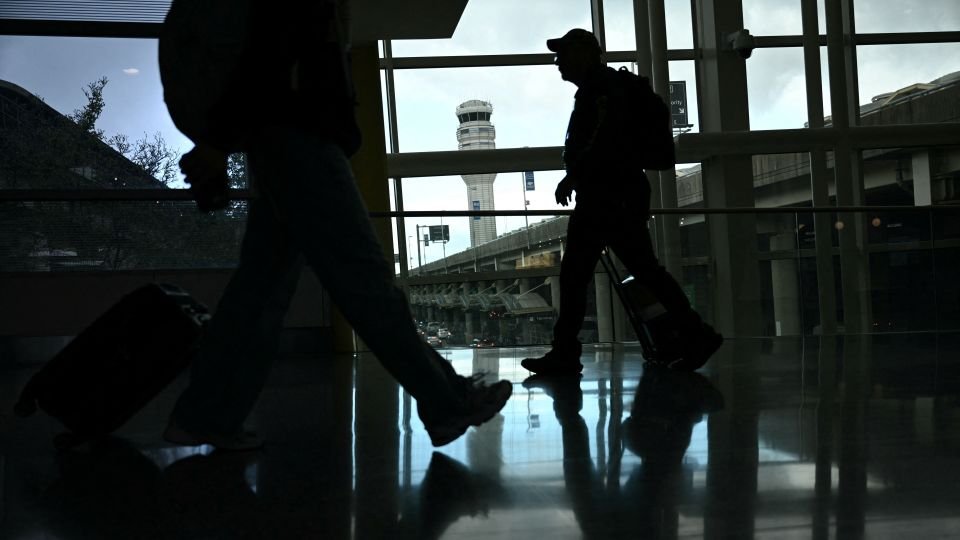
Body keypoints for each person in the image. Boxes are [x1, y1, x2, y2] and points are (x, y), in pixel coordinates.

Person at [159, 0, 511, 451]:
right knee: (364, 283)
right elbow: (271, 54)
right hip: (302, 138)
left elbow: (264, 55)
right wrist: (218, 141)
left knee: (261, 291)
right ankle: (447, 402)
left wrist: (219, 140)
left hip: (284, 139)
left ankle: (204, 414)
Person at [522, 29, 722, 376]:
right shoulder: (604, 89)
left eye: (563, 54)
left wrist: (574, 176)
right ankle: (696, 334)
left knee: (581, 275)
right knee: (634, 271)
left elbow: (604, 142)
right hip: (615, 195)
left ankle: (567, 353)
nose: (558, 62)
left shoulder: (604, 91)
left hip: (608, 197)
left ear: (584, 54)